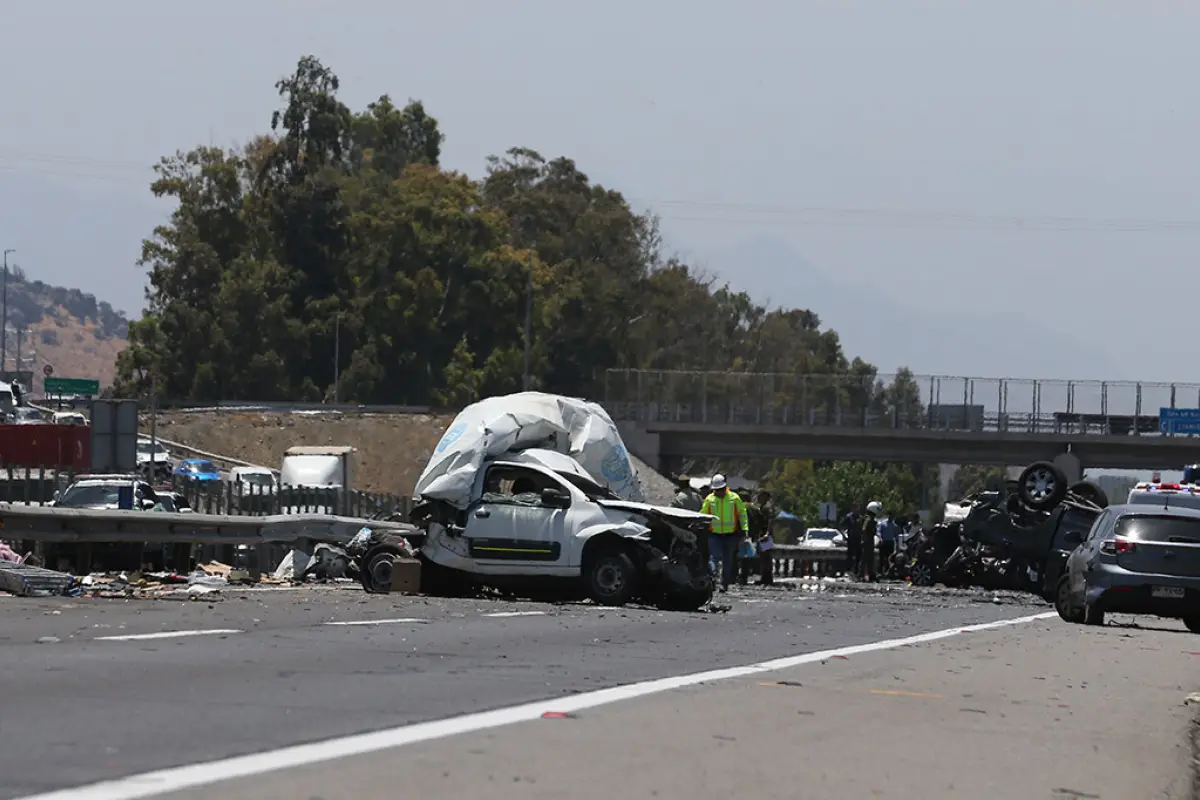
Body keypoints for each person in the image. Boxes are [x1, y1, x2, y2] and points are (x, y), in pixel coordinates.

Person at [701, 474, 749, 593]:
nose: (717, 492)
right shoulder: (709, 499)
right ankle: (712, 581)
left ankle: (724, 584)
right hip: (714, 534)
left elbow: (742, 514)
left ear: (725, 488)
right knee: (713, 558)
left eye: (719, 490)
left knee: (728, 561)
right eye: (716, 490)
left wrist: (745, 530)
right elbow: (703, 514)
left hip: (730, 535)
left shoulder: (734, 498)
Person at [756, 490, 776, 585]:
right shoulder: (764, 506)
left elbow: (770, 521)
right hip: (763, 533)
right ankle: (765, 577)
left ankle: (767, 578)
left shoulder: (767, 507)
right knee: (764, 557)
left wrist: (767, 533)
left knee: (766, 557)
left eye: (760, 496)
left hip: (766, 534)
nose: (758, 498)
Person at [860, 501, 881, 582]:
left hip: (869, 541)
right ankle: (862, 575)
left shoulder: (871, 519)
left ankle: (871, 574)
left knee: (870, 559)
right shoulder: (868, 519)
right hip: (867, 541)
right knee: (865, 559)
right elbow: (864, 530)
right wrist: (864, 540)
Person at [877, 510, 900, 577]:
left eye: (892, 516)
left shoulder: (894, 525)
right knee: (882, 558)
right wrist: (880, 538)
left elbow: (896, 535)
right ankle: (880, 572)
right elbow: (878, 532)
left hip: (890, 543)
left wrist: (897, 542)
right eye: (889, 515)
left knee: (889, 558)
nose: (890, 517)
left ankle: (888, 572)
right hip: (884, 542)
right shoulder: (883, 523)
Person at [842, 506, 862, 577]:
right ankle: (848, 570)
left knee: (858, 556)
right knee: (849, 555)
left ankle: (856, 571)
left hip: (859, 539)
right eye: (855, 508)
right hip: (851, 538)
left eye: (857, 509)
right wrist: (844, 535)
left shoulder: (860, 518)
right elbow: (843, 526)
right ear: (852, 509)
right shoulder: (848, 517)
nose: (856, 510)